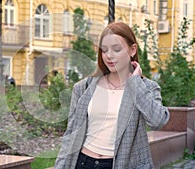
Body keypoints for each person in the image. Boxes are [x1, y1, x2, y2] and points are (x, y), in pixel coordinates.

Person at [54, 22, 170, 169]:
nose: (109, 56)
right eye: (104, 50)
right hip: (83, 162)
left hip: (122, 164)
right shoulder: (84, 87)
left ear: (132, 49)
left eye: (116, 49)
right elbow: (70, 134)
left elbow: (158, 121)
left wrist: (135, 83)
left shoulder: (147, 88)